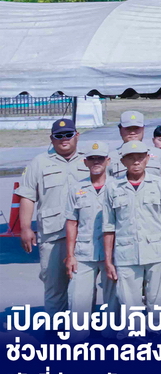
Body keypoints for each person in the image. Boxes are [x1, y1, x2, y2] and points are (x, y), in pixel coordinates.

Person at [18, 118, 89, 314]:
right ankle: (55, 327)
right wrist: (25, 228)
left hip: (85, 234)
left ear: (77, 136)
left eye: (68, 134)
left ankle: (82, 326)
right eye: (59, 136)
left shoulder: (89, 160)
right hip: (53, 235)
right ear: (52, 139)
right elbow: (27, 196)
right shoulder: (39, 163)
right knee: (54, 287)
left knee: (83, 287)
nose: (64, 139)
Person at [102, 141, 161, 324]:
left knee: (156, 300)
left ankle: (156, 333)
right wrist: (108, 260)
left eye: (140, 157)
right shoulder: (113, 187)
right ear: (123, 161)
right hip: (126, 253)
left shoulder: (160, 184)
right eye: (131, 158)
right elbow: (109, 227)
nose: (136, 162)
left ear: (147, 159)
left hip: (156, 252)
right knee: (128, 301)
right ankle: (133, 335)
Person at [64, 141, 117, 328]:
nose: (96, 162)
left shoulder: (118, 187)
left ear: (108, 161)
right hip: (84, 252)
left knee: (114, 302)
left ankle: (113, 336)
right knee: (78, 299)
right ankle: (78, 338)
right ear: (85, 162)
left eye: (100, 158)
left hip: (113, 253)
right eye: (92, 159)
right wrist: (70, 255)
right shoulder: (76, 189)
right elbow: (72, 223)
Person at [108, 111, 161, 182]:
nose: (132, 132)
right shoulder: (111, 158)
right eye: (128, 128)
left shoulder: (160, 155)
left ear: (143, 129)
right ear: (120, 130)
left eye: (136, 128)